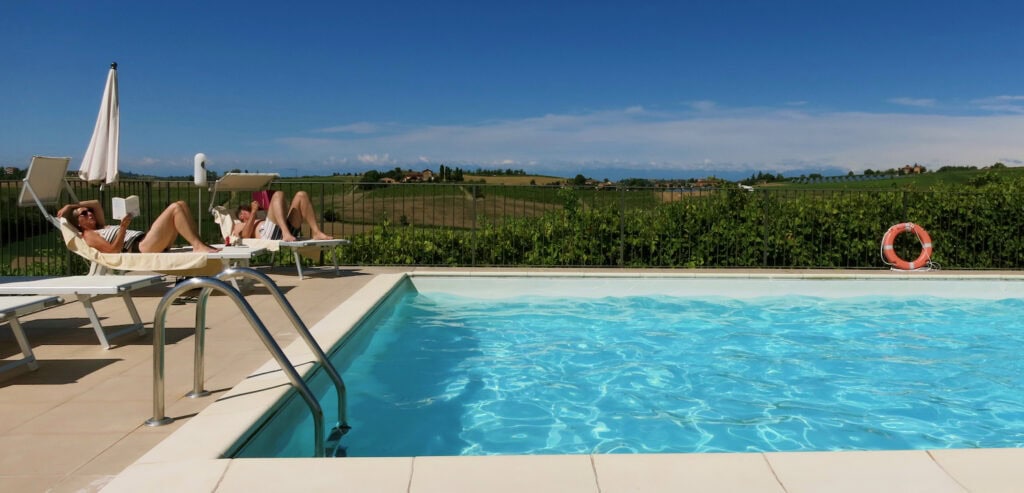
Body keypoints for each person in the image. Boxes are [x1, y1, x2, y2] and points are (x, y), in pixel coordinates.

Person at [58, 199, 220, 254]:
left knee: (182, 204)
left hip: (147, 241)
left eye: (89, 212)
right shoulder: (88, 235)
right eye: (84, 214)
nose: (90, 213)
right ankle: (197, 246)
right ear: (79, 223)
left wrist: (71, 206)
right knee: (175, 208)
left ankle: (199, 244)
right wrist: (122, 228)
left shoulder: (101, 226)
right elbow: (113, 251)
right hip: (141, 247)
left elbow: (96, 204)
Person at [233, 190, 333, 242]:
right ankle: (285, 233)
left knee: (301, 195)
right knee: (278, 194)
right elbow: (245, 236)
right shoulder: (239, 225)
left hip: (281, 229)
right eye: (246, 211)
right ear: (241, 216)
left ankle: (316, 232)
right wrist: (254, 211)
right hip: (270, 235)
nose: (249, 211)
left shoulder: (259, 219)